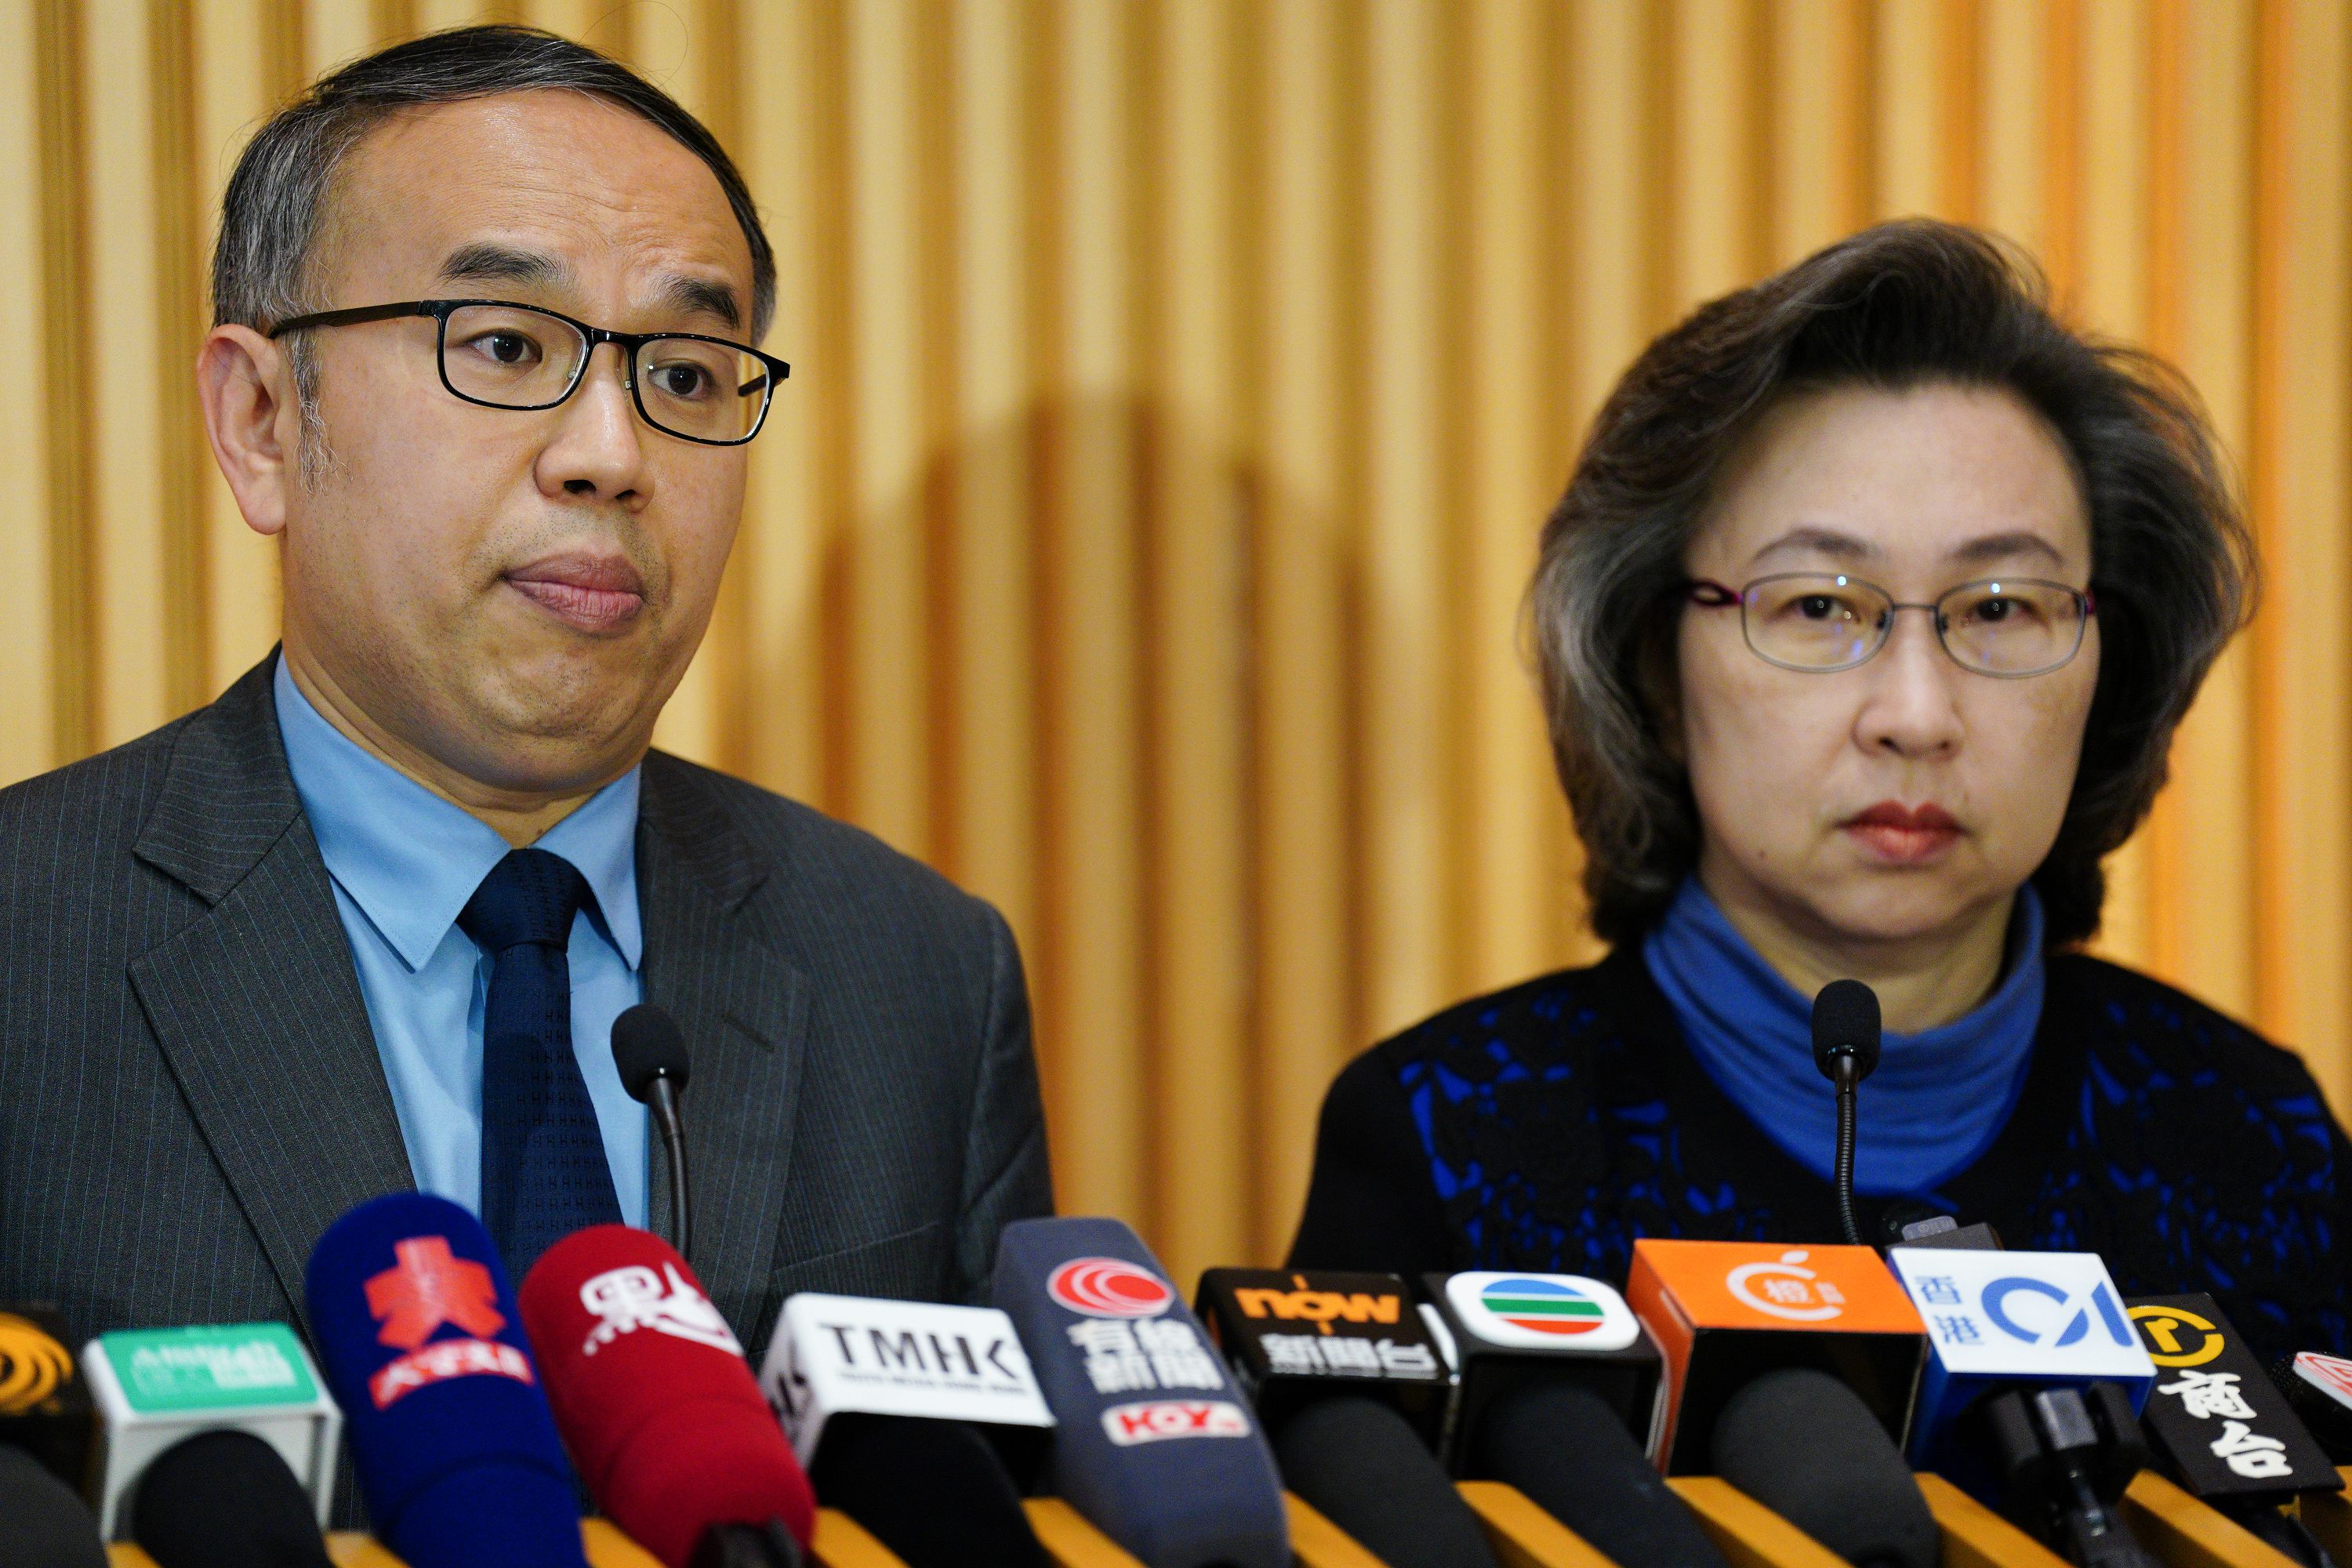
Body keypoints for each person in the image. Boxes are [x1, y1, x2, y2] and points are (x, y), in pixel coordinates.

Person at [0, 27, 1049, 1352]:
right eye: (501, 345)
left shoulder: (918, 977)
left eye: (683, 374)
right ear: (262, 421)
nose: (611, 453)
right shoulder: (26, 943)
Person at [1290, 220, 2350, 1363]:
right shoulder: (1452, 1141)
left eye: (2000, 609)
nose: (1916, 715)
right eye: (1818, 607)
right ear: (1655, 667)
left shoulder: (2255, 1138)